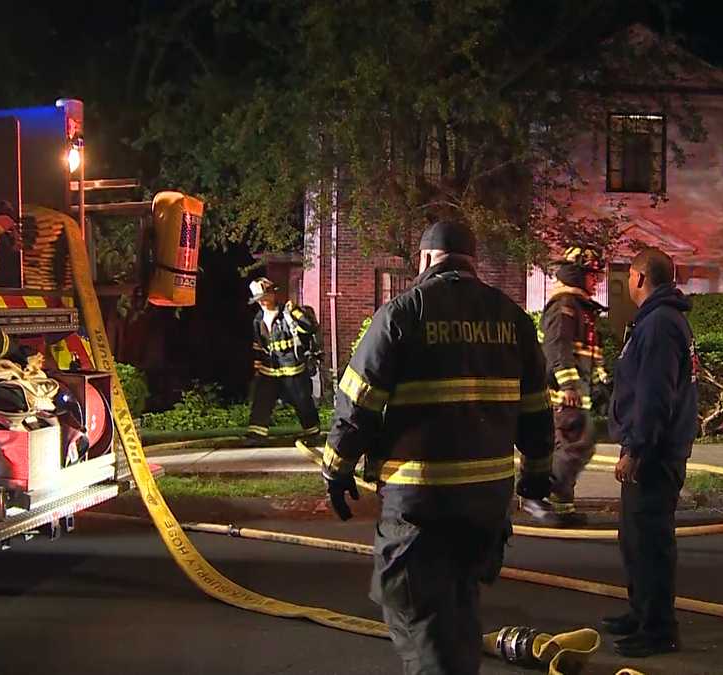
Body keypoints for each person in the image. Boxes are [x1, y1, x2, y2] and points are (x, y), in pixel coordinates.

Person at [320, 221, 554, 674]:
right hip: (486, 506)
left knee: (421, 623)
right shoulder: (511, 319)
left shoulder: (404, 313)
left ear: (425, 259)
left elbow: (358, 403)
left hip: (419, 506)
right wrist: (537, 475)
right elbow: (537, 409)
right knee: (458, 614)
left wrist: (336, 468)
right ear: (473, 262)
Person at [603, 248, 698, 658]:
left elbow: (655, 395)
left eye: (629, 278)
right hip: (653, 448)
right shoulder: (659, 321)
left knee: (650, 543)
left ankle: (659, 629)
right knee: (634, 538)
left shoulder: (658, 324)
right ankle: (641, 613)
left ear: (640, 278)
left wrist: (637, 449)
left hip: (654, 454)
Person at [522, 246, 608, 527]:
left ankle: (562, 507)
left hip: (575, 394)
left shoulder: (581, 308)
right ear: (577, 274)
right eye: (592, 276)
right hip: (562, 396)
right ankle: (536, 497)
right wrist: (570, 386)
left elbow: (588, 354)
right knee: (573, 447)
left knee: (573, 447)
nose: (596, 282)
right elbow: (557, 350)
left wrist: (600, 385)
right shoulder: (565, 307)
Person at [246, 277, 323, 445]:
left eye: (266, 296)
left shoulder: (287, 314)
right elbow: (258, 347)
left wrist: (296, 312)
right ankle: (256, 436)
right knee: (262, 401)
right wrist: (257, 368)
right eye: (260, 299)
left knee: (302, 401)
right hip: (269, 369)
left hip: (293, 369)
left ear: (274, 294)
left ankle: (312, 434)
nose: (264, 301)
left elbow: (309, 328)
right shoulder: (258, 320)